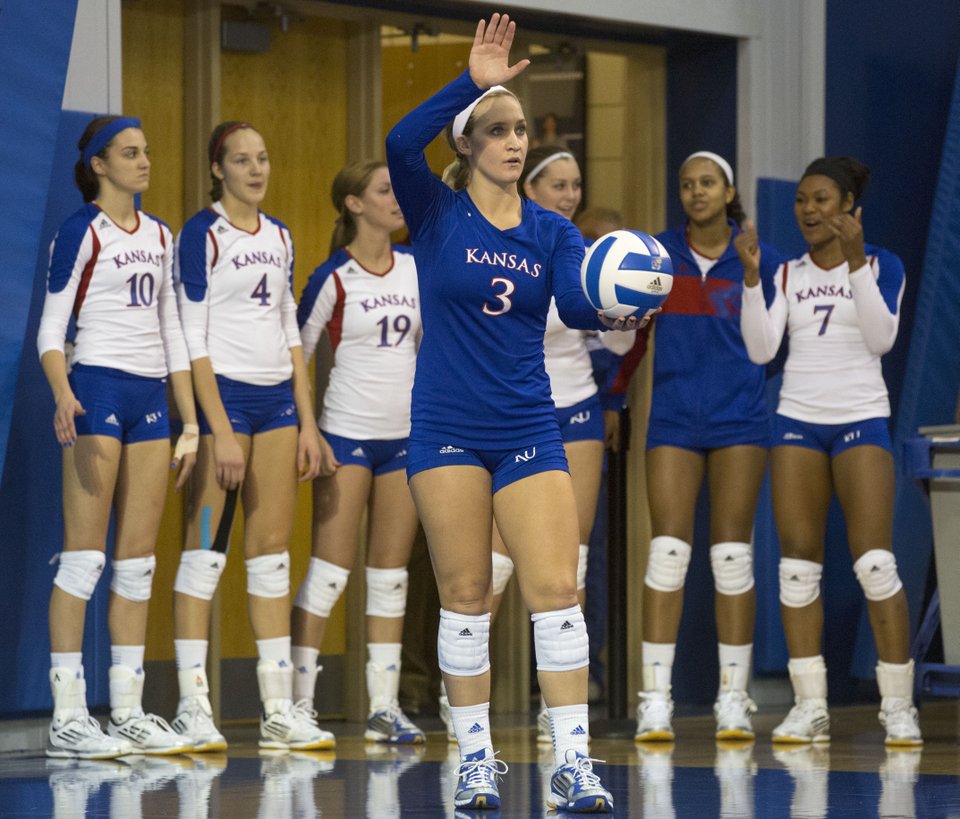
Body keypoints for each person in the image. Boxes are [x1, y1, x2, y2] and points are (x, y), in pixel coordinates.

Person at [386, 13, 638, 813]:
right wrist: (472, 78)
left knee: (558, 587)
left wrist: (623, 304)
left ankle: (571, 761)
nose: (515, 141)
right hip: (448, 428)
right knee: (465, 593)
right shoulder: (433, 213)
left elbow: (575, 304)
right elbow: (398, 141)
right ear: (466, 143)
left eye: (522, 127)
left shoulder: (550, 229)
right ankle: (475, 760)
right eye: (497, 129)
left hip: (531, 424)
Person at [739, 155, 922, 746]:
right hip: (797, 419)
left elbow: (882, 338)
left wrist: (855, 263)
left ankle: (898, 707)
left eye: (821, 199)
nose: (809, 210)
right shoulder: (786, 274)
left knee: (875, 563)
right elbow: (762, 350)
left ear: (849, 208)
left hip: (861, 419)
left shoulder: (881, 264)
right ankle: (809, 705)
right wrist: (749, 280)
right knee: (796, 568)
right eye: (801, 200)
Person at [171, 120, 337, 752]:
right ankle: (192, 704)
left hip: (277, 404)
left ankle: (276, 708)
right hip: (227, 402)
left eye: (262, 158)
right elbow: (192, 336)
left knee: (271, 556)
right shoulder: (201, 233)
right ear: (219, 169)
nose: (256, 169)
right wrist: (219, 428)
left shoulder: (280, 235)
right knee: (206, 551)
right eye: (242, 160)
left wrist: (307, 420)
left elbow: (293, 333)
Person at [38, 115, 198, 758]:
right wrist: (64, 394)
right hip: (96, 390)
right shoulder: (82, 231)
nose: (143, 161)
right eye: (130, 153)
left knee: (137, 564)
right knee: (84, 560)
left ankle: (128, 709)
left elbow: (175, 330)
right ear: (99, 165)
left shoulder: (160, 234)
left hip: (151, 397)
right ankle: (68, 716)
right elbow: (52, 329)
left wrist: (190, 423)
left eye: (147, 150)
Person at [476, 146, 635, 746]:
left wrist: (629, 311)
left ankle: (556, 707)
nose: (569, 195)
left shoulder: (582, 253)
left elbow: (615, 350)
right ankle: (467, 695)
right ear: (531, 185)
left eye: (576, 185)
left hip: (576, 410)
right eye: (558, 184)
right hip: (514, 412)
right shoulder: (503, 241)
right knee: (493, 562)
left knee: (572, 561)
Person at [634, 151, 782, 743]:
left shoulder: (762, 257)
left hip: (739, 421)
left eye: (707, 183)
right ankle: (654, 701)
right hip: (671, 420)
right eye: (687, 183)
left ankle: (732, 700)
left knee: (731, 557)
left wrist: (749, 278)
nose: (696, 192)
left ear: (729, 191)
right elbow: (626, 346)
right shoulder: (655, 258)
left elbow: (767, 350)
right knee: (667, 553)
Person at [291, 159, 425, 745]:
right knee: (328, 572)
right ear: (353, 204)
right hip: (345, 437)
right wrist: (307, 429)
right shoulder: (333, 277)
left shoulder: (417, 269)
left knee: (390, 575)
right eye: (383, 190)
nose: (396, 199)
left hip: (405, 441)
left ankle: (383, 706)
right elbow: (295, 353)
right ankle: (295, 704)